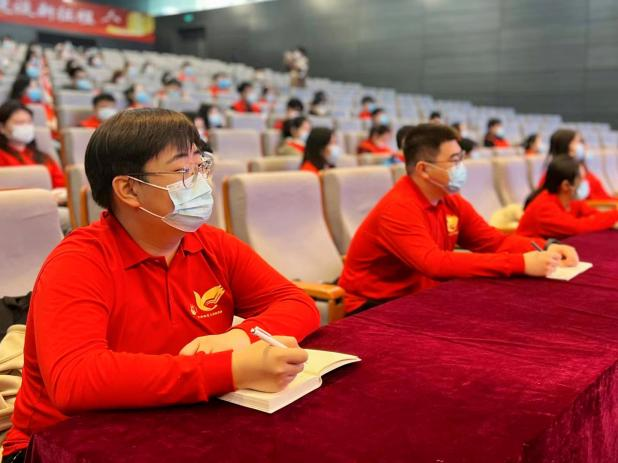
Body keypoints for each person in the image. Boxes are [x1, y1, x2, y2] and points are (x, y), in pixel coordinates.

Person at [1, 108, 319, 461]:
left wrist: (240, 337)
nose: (200, 183)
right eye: (183, 171)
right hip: (61, 445)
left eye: (201, 166)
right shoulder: (78, 261)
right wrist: (232, 369)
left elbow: (296, 304)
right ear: (129, 189)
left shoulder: (212, 244)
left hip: (171, 422)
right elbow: (76, 381)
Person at [338, 124, 579, 314]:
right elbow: (434, 264)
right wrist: (521, 264)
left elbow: (493, 241)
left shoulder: (449, 200)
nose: (461, 167)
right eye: (454, 161)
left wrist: (547, 246)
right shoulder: (398, 207)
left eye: (461, 158)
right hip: (373, 305)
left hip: (417, 295)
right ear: (424, 169)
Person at [517, 156, 618, 239]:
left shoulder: (572, 200)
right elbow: (577, 227)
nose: (586, 183)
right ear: (566, 185)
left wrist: (611, 217)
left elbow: (593, 214)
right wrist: (615, 215)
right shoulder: (545, 208)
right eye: (581, 179)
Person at [0, 101, 66, 194]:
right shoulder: (2, 156)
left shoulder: (44, 157)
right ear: (2, 128)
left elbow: (62, 185)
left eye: (29, 122)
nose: (25, 126)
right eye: (19, 123)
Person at [541, 129, 615, 200]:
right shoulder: (551, 178)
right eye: (577, 142)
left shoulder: (587, 174)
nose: (583, 146)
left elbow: (605, 197)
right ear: (565, 145)